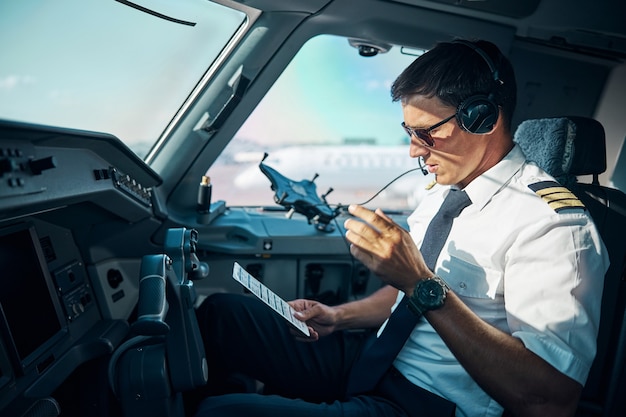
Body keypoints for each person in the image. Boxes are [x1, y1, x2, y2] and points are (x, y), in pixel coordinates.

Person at [191, 39, 608, 417]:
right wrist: (339, 316)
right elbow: (405, 295)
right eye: (409, 131)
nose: (414, 149)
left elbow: (550, 400)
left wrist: (421, 284)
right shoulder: (443, 190)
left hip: (427, 401)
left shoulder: (552, 225)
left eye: (428, 133)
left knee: (220, 413)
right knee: (221, 316)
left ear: (483, 118)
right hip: (373, 358)